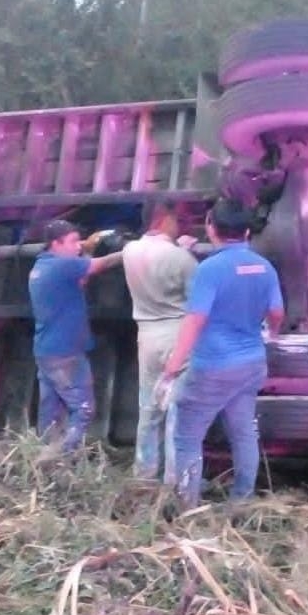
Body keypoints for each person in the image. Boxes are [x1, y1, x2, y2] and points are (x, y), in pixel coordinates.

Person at [161, 197, 284, 509]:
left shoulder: (210, 269)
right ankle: (241, 501)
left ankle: (187, 508)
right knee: (243, 433)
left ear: (210, 228)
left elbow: (195, 319)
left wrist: (174, 364)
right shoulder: (264, 267)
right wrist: (270, 330)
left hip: (213, 367)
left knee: (187, 438)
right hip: (252, 364)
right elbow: (276, 312)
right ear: (246, 232)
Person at [28, 219, 124, 456]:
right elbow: (99, 265)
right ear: (55, 243)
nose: (77, 247)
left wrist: (87, 247)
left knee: (50, 410)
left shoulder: (43, 267)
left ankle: (43, 454)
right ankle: (61, 455)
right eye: (72, 242)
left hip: (46, 350)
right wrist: (131, 251)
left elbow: (80, 279)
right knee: (83, 409)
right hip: (66, 352)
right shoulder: (62, 266)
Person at [121, 199, 198, 480]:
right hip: (177, 337)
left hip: (147, 335)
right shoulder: (181, 259)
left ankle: (143, 473)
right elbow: (197, 305)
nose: (179, 226)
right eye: (177, 220)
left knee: (149, 408)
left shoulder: (130, 251)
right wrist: (184, 252)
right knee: (176, 411)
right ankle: (175, 480)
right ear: (163, 219)